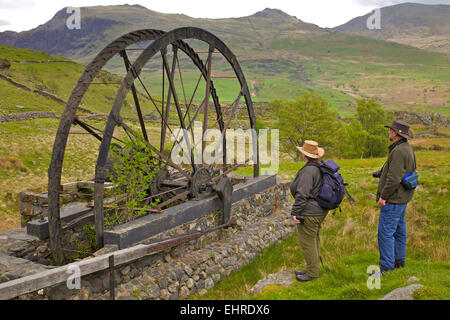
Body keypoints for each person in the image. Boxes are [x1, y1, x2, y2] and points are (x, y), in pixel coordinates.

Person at [375, 120, 416, 275]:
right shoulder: (407, 148)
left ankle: (386, 268)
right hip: (402, 199)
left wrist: (383, 197)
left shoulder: (398, 151)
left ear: (396, 134)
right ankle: (399, 263)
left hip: (393, 199)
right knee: (399, 232)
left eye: (391, 130)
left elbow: (394, 178)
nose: (389, 132)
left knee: (385, 233)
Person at [290, 140, 329, 282]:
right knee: (314, 239)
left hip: (310, 212)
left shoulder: (308, 170)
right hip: (320, 210)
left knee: (307, 242)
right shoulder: (319, 167)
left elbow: (302, 193)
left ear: (305, 156)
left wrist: (296, 212)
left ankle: (312, 273)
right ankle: (312, 267)